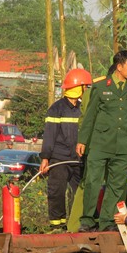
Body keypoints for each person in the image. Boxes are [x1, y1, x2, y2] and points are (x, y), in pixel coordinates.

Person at [76, 50, 127, 232]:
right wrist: (82, 140)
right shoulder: (99, 86)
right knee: (92, 181)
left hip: (123, 144)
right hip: (99, 143)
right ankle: (87, 220)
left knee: (117, 184)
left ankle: (107, 221)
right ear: (119, 66)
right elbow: (89, 116)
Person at [40, 68, 91, 230]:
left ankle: (74, 225)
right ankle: (57, 226)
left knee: (78, 194)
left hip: (79, 159)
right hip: (59, 159)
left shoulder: (84, 109)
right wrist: (45, 158)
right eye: (86, 87)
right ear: (80, 87)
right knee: (57, 192)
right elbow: (49, 135)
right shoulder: (56, 109)